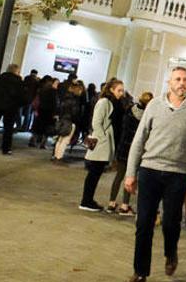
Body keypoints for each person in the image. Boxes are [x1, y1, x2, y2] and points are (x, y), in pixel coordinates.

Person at [121, 66, 186, 282]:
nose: (182, 83)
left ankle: (170, 252)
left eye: (185, 80)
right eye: (177, 79)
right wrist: (130, 173)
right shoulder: (154, 105)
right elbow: (138, 140)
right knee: (143, 224)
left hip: (178, 174)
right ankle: (140, 273)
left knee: (171, 222)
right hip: (150, 171)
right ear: (169, 82)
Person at [79, 79, 124, 211]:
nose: (121, 93)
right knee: (94, 173)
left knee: (95, 173)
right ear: (111, 89)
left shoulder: (113, 103)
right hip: (100, 143)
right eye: (119, 90)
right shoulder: (104, 102)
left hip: (104, 142)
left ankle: (88, 200)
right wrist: (103, 138)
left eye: (122, 90)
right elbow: (96, 123)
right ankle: (86, 201)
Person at [107, 91, 153, 215]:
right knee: (131, 177)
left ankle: (111, 203)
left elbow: (122, 127)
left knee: (119, 176)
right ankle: (124, 206)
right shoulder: (148, 116)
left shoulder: (129, 110)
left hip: (124, 147)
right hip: (137, 151)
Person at [0, 64, 28, 154]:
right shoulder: (19, 82)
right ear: (16, 71)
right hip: (11, 108)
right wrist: (18, 105)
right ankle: (6, 148)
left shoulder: (0, 78)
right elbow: (22, 97)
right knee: (8, 129)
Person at [53, 82, 85, 161]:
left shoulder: (65, 98)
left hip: (62, 120)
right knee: (65, 140)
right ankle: (59, 157)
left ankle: (55, 155)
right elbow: (75, 113)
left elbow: (60, 109)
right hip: (70, 121)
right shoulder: (75, 101)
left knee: (60, 139)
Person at [29, 76, 58, 149]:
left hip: (41, 110)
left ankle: (33, 141)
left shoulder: (42, 90)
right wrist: (55, 113)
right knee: (47, 128)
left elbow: (38, 100)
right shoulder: (53, 91)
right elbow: (54, 103)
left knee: (37, 127)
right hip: (49, 112)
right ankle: (43, 144)